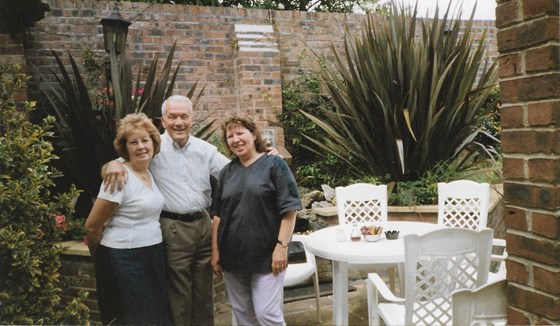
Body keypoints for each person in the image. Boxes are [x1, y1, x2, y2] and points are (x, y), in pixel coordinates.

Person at [103, 95, 280, 325]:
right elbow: (121, 164)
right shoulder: (153, 148)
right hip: (173, 228)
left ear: (191, 120)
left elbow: (237, 171)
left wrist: (266, 158)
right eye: (172, 117)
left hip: (204, 226)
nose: (178, 122)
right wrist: (112, 164)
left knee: (204, 293)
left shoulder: (205, 149)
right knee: (179, 294)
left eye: (184, 117)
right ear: (163, 121)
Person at [210, 116, 301, 326]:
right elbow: (218, 215)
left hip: (267, 257)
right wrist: (215, 252)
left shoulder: (274, 164)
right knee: (243, 315)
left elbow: (290, 209)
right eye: (230, 136)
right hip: (233, 258)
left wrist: (281, 247)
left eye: (240, 133)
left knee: (266, 314)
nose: (236, 139)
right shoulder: (227, 172)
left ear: (253, 134)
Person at [85, 113, 171, 325]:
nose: (141, 146)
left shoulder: (148, 173)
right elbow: (92, 225)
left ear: (154, 143)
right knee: (133, 317)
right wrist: (101, 257)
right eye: (134, 142)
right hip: (124, 258)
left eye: (145, 140)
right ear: (125, 148)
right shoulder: (118, 178)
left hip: (152, 253)